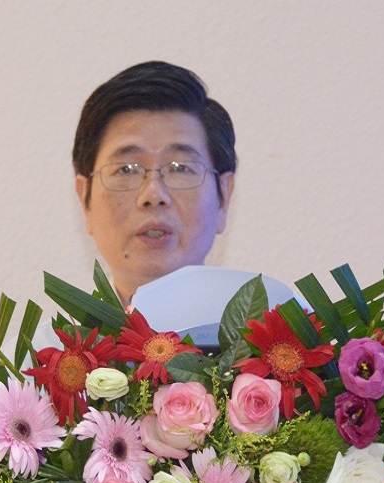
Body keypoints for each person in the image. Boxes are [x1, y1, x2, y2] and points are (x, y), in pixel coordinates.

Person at [69, 61, 299, 337]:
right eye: (126, 169)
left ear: (223, 198)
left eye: (180, 168)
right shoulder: (37, 359)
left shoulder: (290, 349)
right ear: (85, 201)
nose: (153, 195)